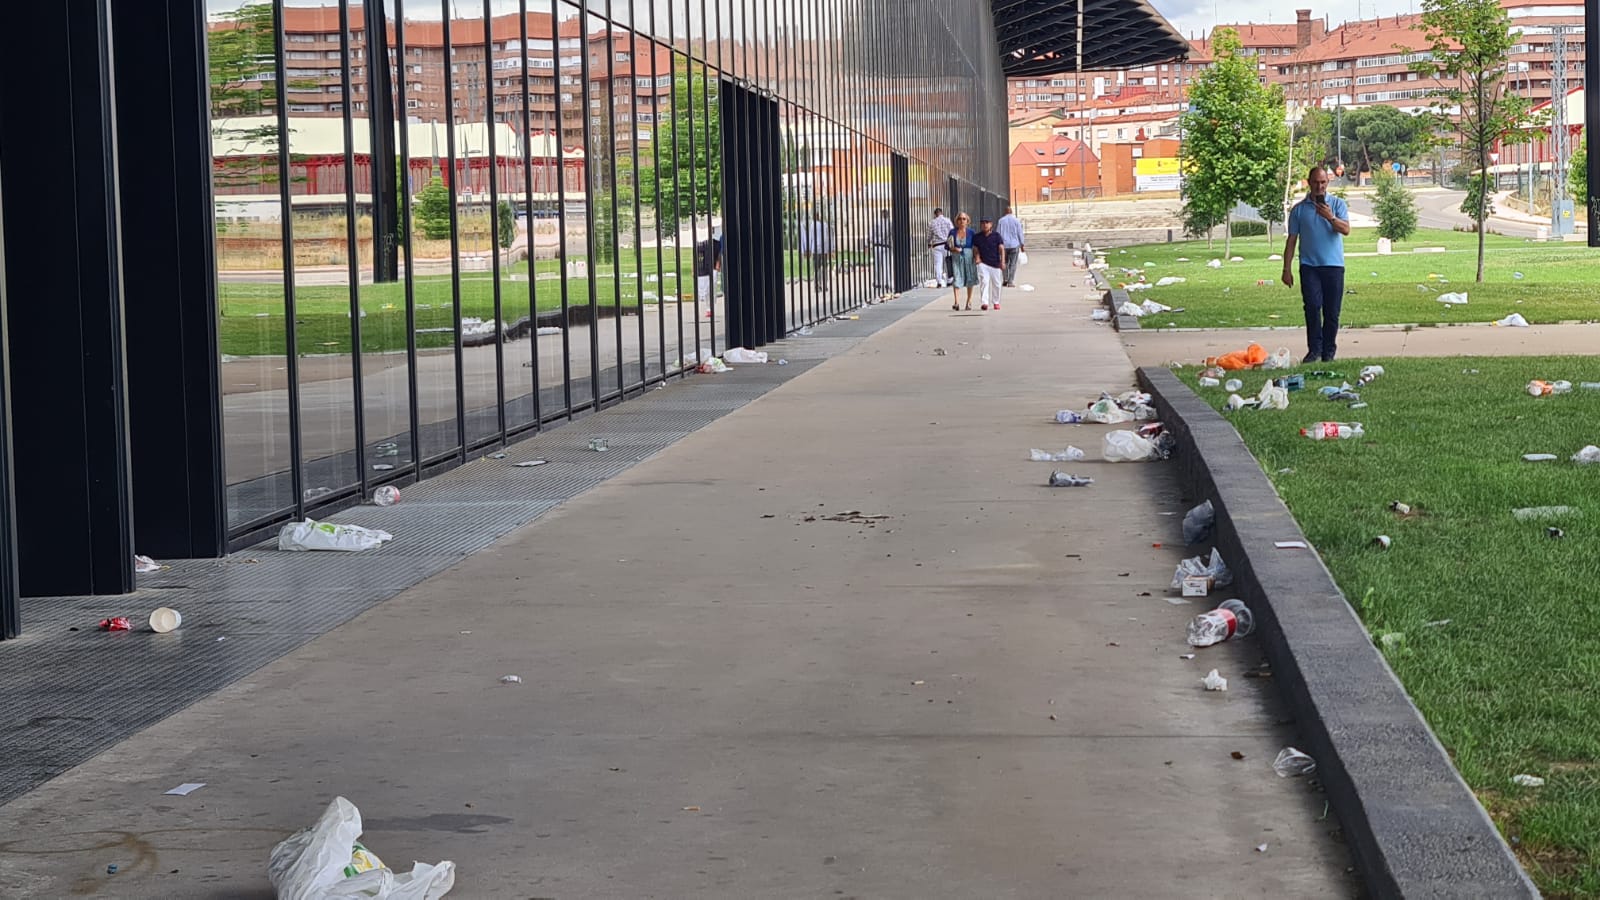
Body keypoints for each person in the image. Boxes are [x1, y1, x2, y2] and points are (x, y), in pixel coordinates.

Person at [1281, 166, 1350, 363]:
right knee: (1312, 307)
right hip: (1309, 266)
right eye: (1315, 182)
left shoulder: (1337, 204)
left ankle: (1329, 351)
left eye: (1323, 182)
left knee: (1332, 311)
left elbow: (1346, 230)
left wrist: (1330, 217)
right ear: (1309, 183)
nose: (1319, 186)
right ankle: (1314, 350)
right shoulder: (1299, 210)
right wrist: (1286, 269)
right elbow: (1291, 241)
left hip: (1333, 266)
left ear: (1327, 183)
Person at [972, 215, 1006, 311]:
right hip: (983, 263)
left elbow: (1001, 249)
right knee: (984, 281)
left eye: (987, 223)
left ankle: (996, 301)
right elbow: (975, 248)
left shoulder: (996, 236)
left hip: (995, 263)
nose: (985, 225)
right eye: (982, 223)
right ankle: (984, 302)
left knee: (997, 283)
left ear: (991, 225)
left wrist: (1002, 261)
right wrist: (977, 258)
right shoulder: (977, 237)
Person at [946, 212, 978, 311]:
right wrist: (953, 249)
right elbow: (947, 245)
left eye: (964, 219)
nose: (962, 221)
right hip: (956, 257)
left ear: (967, 221)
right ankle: (956, 302)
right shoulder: (952, 232)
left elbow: (975, 246)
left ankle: (969, 302)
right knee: (957, 278)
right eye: (960, 219)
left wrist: (977, 257)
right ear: (957, 221)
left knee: (970, 278)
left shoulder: (971, 232)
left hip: (969, 257)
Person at [799, 210, 832, 294]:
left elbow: (809, 238)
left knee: (816, 268)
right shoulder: (824, 225)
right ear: (819, 216)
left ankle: (817, 286)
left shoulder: (812, 226)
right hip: (823, 250)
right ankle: (824, 285)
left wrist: (808, 249)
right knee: (824, 268)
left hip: (815, 250)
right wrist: (830, 249)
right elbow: (828, 238)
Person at [694, 223, 722, 311]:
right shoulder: (702, 244)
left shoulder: (717, 243)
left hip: (714, 267)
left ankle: (711, 307)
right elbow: (696, 256)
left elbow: (719, 254)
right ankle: (708, 307)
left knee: (712, 287)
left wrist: (718, 264)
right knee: (706, 288)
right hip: (705, 268)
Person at [996, 205, 1026, 286]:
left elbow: (998, 233)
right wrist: (1022, 244)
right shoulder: (1016, 221)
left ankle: (1005, 279)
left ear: (1005, 212)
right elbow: (1020, 233)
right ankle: (1010, 281)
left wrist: (998, 245)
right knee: (1013, 264)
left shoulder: (1001, 221)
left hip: (1004, 245)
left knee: (1004, 262)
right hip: (1014, 245)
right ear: (1011, 212)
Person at [869, 208, 894, 297]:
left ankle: (877, 282)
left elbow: (871, 235)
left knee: (877, 266)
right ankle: (887, 282)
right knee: (887, 265)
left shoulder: (876, 223)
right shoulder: (890, 224)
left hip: (877, 246)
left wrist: (870, 243)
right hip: (887, 246)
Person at [927, 207, 953, 287]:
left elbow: (929, 235)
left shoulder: (932, 222)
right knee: (948, 262)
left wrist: (928, 243)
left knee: (938, 264)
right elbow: (952, 232)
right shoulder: (947, 220)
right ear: (941, 213)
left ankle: (939, 281)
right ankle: (949, 280)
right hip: (946, 244)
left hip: (937, 245)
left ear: (935, 214)